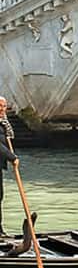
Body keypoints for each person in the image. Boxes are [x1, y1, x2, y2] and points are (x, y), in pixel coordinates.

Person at [0, 96, 18, 236]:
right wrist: (12, 157)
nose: (2, 109)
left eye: (4, 106)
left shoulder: (3, 123)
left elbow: (9, 137)